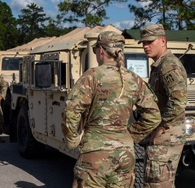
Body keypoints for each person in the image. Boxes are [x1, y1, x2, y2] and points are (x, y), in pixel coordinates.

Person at [61, 31, 162, 188]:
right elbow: (154, 116)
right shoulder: (134, 79)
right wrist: (130, 135)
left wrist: (72, 140)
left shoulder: (93, 76)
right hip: (125, 154)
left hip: (96, 152)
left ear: (101, 50)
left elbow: (71, 110)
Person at [139, 24, 187, 188]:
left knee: (158, 183)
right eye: (143, 43)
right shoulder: (159, 65)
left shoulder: (168, 65)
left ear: (163, 40)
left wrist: (162, 127)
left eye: (149, 42)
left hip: (167, 133)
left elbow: (179, 101)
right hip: (165, 133)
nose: (146, 46)